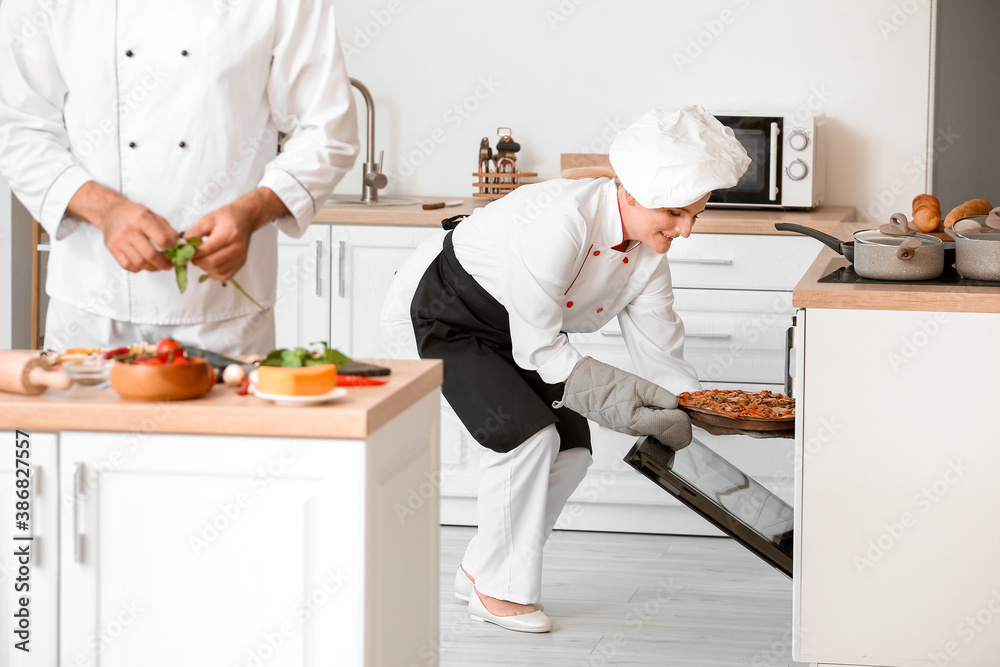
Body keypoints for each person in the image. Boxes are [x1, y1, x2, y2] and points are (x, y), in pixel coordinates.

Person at [380, 106, 751, 633]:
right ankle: (500, 594)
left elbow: (663, 358)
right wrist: (622, 404)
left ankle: (480, 568)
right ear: (633, 192)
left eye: (697, 214)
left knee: (572, 453)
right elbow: (541, 352)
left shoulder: (649, 257)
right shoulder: (559, 221)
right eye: (674, 213)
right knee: (526, 440)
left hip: (524, 333)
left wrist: (707, 411)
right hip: (448, 314)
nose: (686, 231)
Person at [0, 0, 359, 354]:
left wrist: (252, 212)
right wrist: (105, 210)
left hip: (224, 314)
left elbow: (329, 130)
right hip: (92, 306)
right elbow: (17, 127)